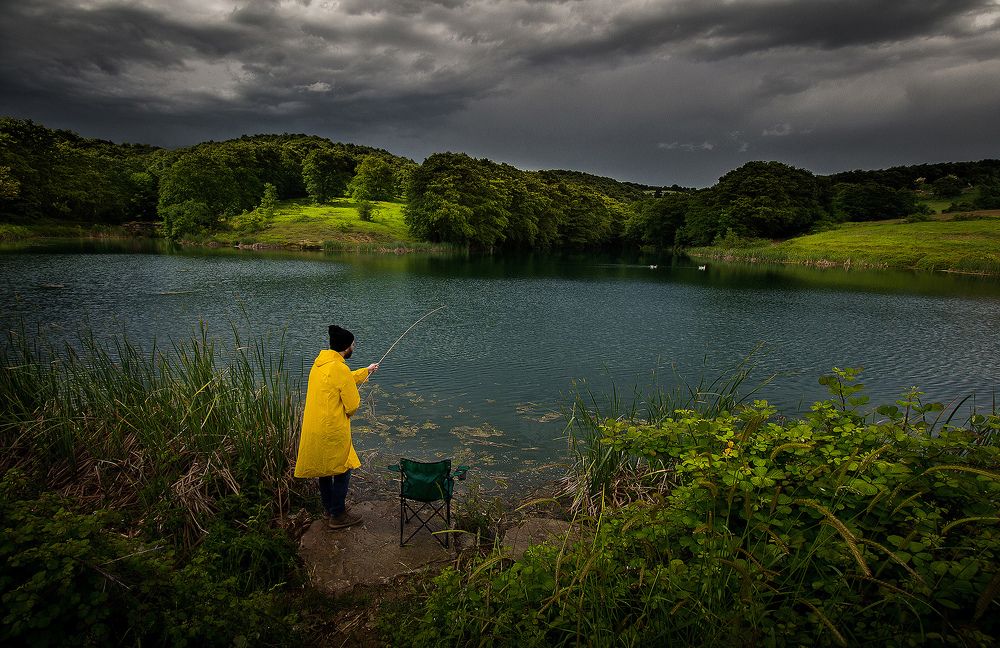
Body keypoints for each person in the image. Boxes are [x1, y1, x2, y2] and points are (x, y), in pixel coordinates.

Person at [294, 325, 379, 530]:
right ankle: (338, 515)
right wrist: (349, 410)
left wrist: (365, 372)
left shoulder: (320, 365)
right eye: (352, 345)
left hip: (315, 428)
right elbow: (352, 405)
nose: (354, 347)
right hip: (332, 429)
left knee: (325, 470)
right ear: (345, 348)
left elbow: (343, 378)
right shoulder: (339, 368)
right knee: (343, 469)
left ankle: (329, 510)